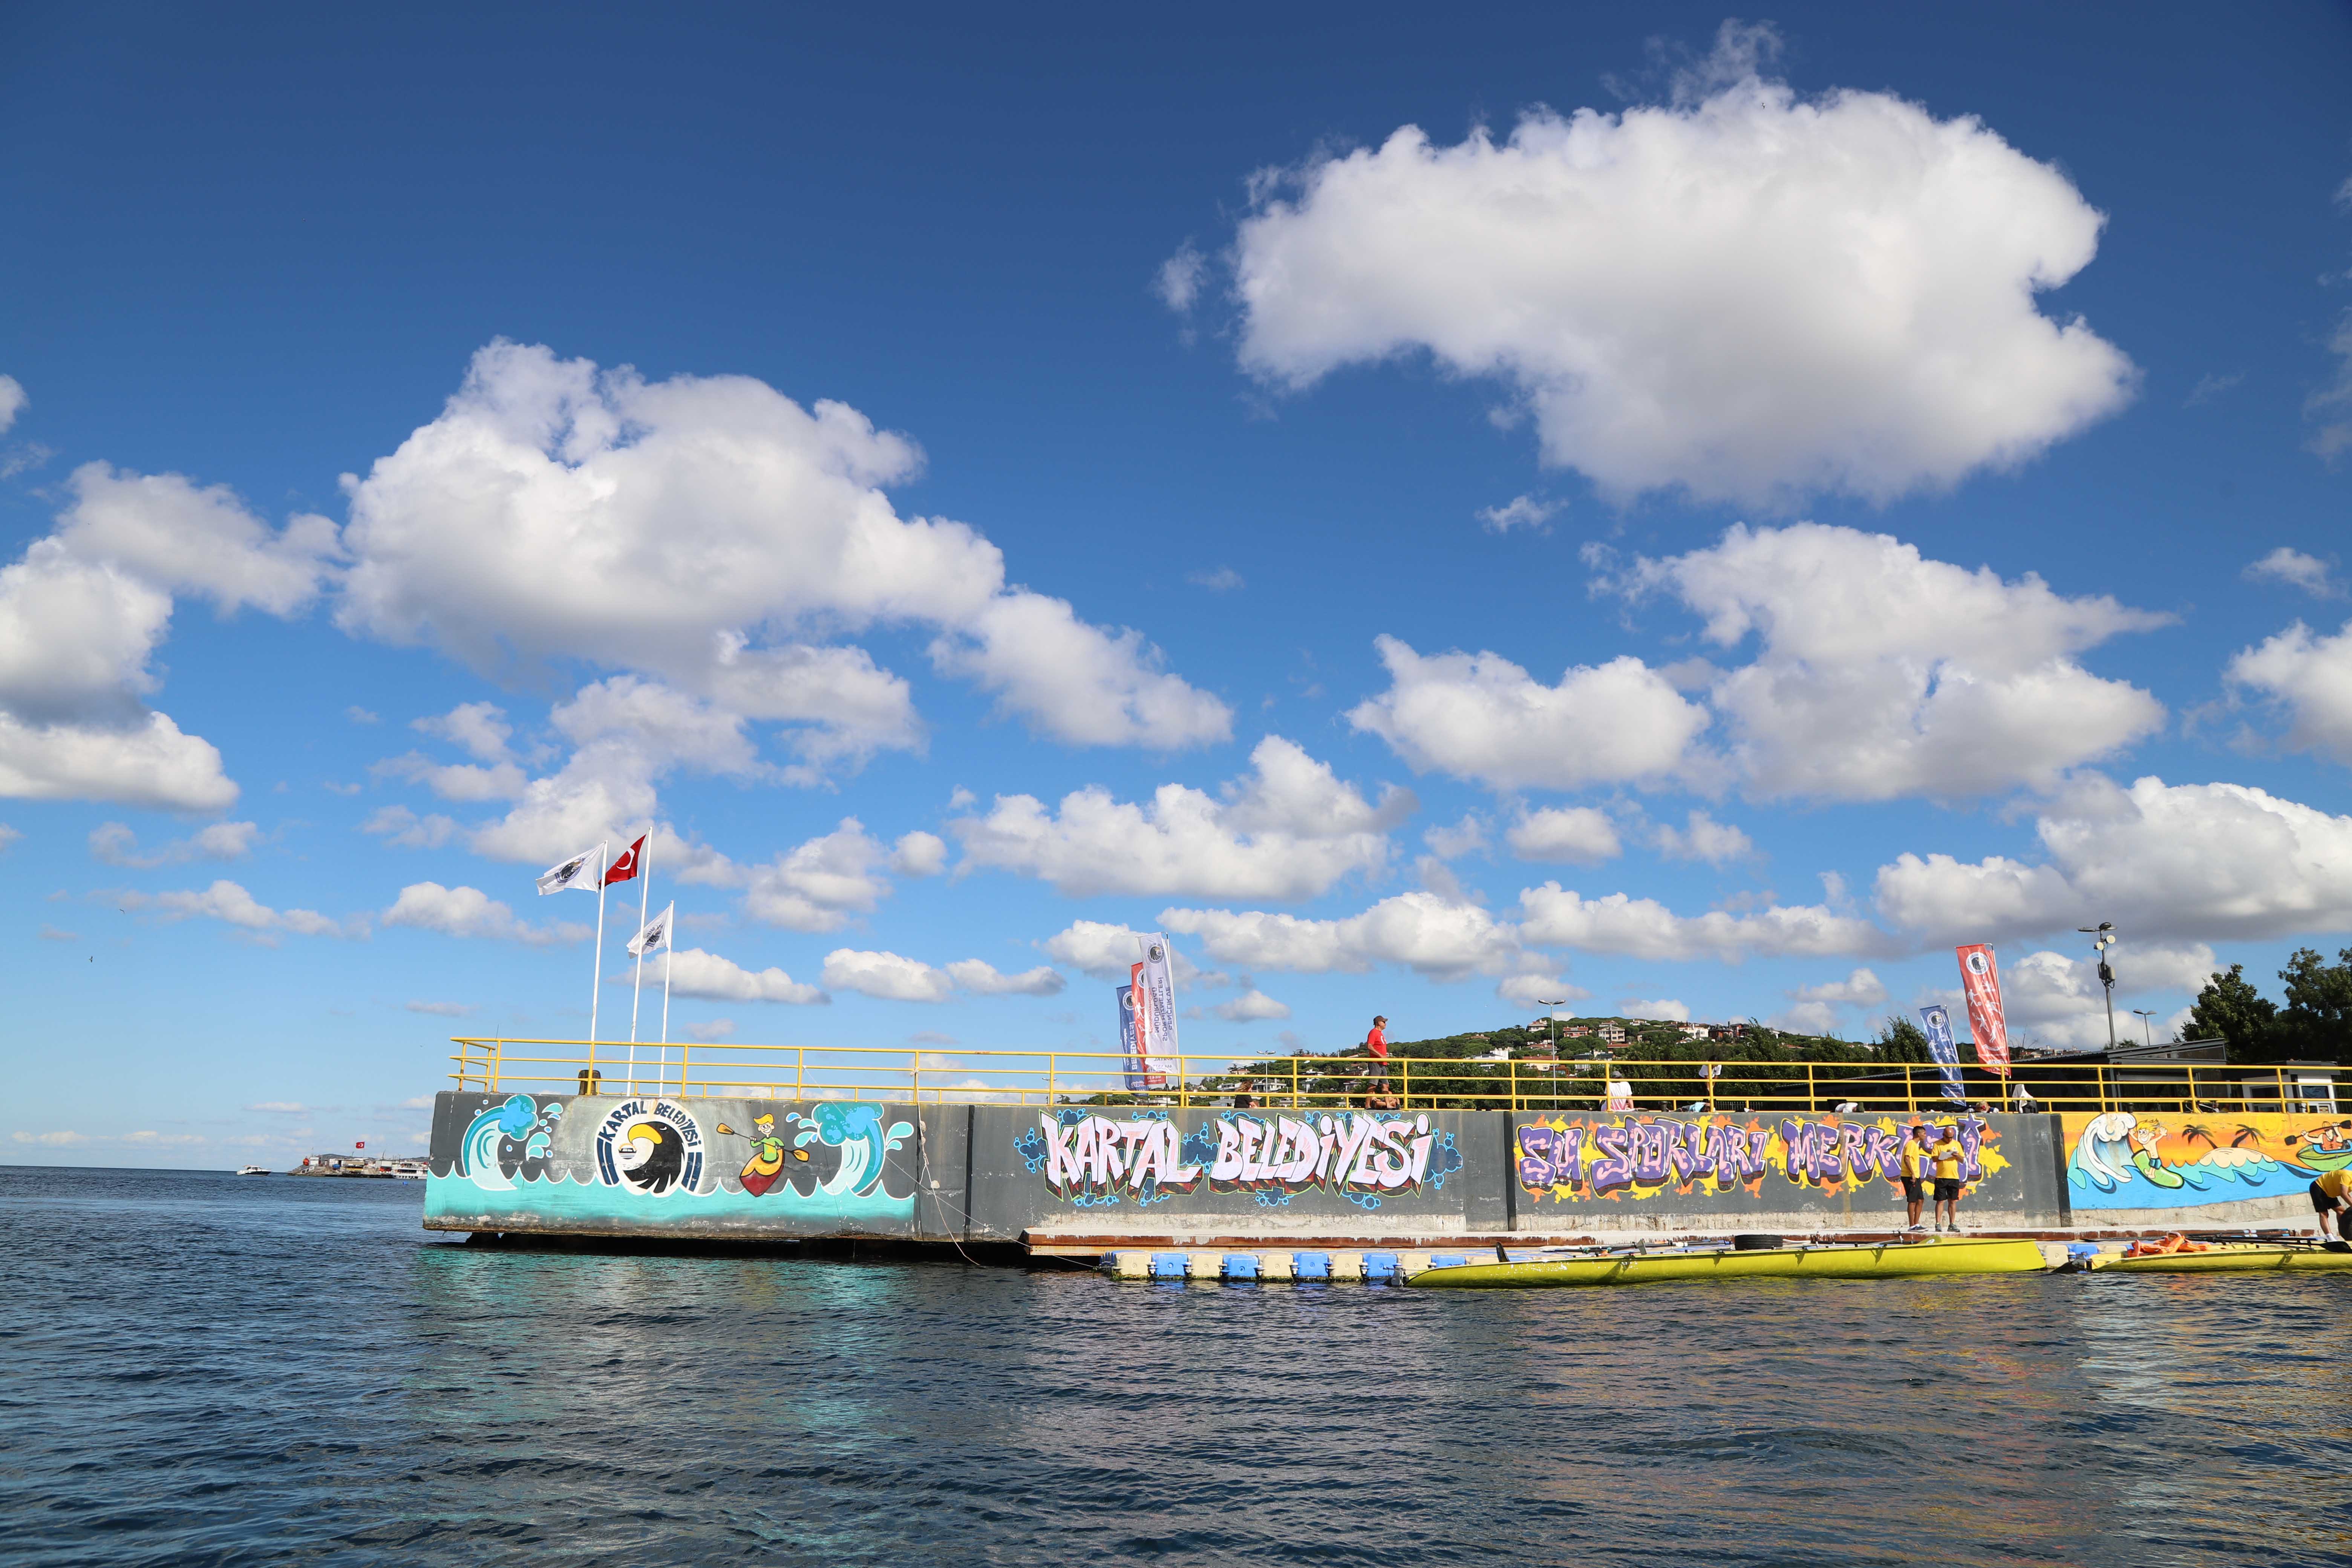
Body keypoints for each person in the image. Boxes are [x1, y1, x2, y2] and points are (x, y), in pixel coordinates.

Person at [1928, 1124, 1966, 1232]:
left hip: (1954, 1177)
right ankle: (1938, 1223)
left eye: (1951, 1137)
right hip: (1941, 1177)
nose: (1950, 1140)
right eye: (1948, 1137)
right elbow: (1934, 1158)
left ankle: (1952, 1224)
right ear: (1943, 1135)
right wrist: (1945, 1155)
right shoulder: (1937, 1144)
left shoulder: (1957, 1144)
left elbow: (1962, 1160)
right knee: (1940, 1201)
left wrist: (1956, 1156)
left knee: (1953, 1201)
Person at [1898, 1124, 1932, 1232]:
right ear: (1919, 1134)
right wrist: (1912, 1173)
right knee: (1912, 1201)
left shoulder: (1915, 1145)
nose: (1925, 1136)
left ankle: (1917, 1223)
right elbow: (1907, 1159)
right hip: (1909, 1176)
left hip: (1916, 1176)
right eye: (1924, 1134)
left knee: (1920, 1200)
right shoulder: (1911, 1144)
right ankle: (1912, 1226)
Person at [2311, 1168, 2352, 1242]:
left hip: (2330, 1192)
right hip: (2319, 1187)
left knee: (2341, 1211)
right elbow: (2344, 1194)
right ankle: (2330, 1238)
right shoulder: (2347, 1176)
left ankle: (2344, 1233)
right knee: (2324, 1214)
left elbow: (2348, 1196)